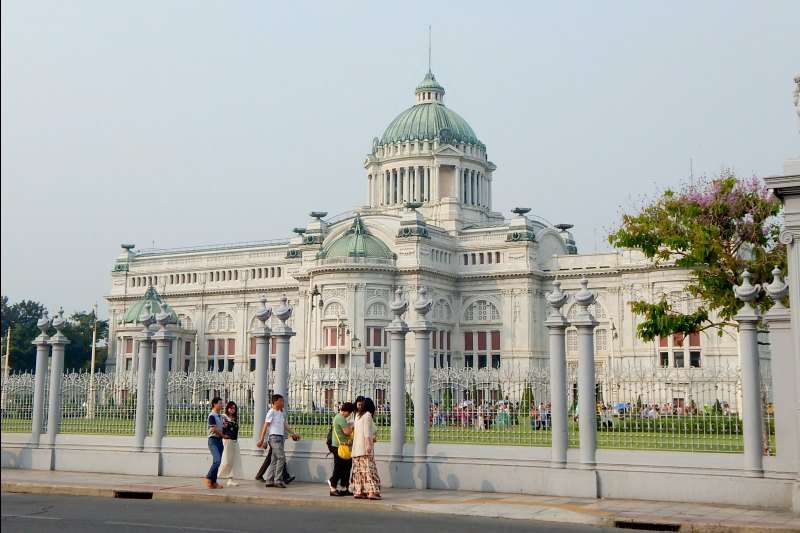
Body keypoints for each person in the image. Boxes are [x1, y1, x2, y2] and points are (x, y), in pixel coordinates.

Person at [256, 394, 300, 488]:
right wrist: (261, 439)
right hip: (274, 438)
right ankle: (278, 480)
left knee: (274, 459)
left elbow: (285, 425)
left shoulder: (281, 412)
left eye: (283, 401)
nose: (283, 403)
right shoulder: (271, 412)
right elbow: (265, 426)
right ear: (275, 402)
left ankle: (269, 480)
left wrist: (293, 433)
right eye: (281, 401)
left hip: (280, 437)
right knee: (281, 458)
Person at [350, 397, 380, 500]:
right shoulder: (367, 416)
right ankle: (372, 492)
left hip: (356, 450)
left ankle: (359, 491)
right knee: (369, 471)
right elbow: (367, 433)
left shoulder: (358, 416)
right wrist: (369, 446)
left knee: (358, 472)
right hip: (364, 449)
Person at [327, 402, 354, 496]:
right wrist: (352, 427)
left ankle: (344, 487)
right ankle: (333, 487)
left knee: (346, 467)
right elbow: (347, 432)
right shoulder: (340, 418)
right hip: (338, 447)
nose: (349, 415)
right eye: (349, 413)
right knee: (339, 468)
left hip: (343, 446)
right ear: (346, 411)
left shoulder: (339, 417)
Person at [218, 401, 243, 487]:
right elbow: (222, 428)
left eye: (234, 408)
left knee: (233, 461)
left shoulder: (235, 419)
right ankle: (215, 475)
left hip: (234, 442)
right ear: (227, 408)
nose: (232, 410)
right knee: (226, 460)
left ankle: (230, 479)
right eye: (231, 408)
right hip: (227, 441)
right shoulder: (224, 417)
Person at [204, 397, 225, 489]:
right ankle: (208, 477)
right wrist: (223, 435)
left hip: (219, 441)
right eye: (220, 403)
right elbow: (213, 428)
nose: (222, 405)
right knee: (217, 461)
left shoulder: (220, 416)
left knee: (217, 462)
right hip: (213, 440)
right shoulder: (212, 416)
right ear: (214, 404)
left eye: (222, 403)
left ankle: (213, 482)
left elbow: (221, 428)